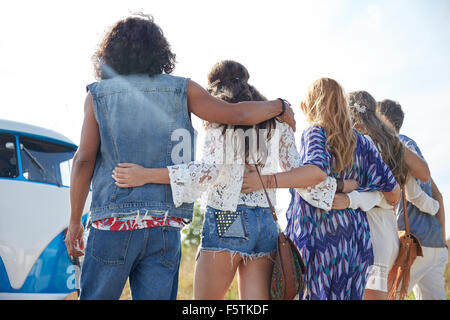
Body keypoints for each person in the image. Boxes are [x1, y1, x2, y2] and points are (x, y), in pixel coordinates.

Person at [64, 15, 296, 300]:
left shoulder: (97, 96)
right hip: (165, 225)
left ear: (111, 53)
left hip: (112, 223)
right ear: (159, 51)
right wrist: (280, 105)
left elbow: (84, 161)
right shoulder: (183, 89)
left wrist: (75, 219)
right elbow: (236, 114)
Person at [112, 60, 354, 300]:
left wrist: (145, 175)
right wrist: (338, 190)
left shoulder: (221, 120)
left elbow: (208, 172)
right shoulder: (278, 122)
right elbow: (298, 172)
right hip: (265, 224)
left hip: (228, 217)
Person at [241, 78, 401, 300]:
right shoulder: (363, 143)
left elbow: (315, 173)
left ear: (312, 104)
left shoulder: (316, 132)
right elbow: (393, 193)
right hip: (354, 241)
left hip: (320, 237)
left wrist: (265, 181)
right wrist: (351, 195)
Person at [331, 91, 439, 300]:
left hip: (367, 235)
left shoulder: (355, 145)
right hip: (386, 234)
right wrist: (434, 207)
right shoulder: (391, 145)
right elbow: (417, 185)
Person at [377, 99, 448, 300]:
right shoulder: (415, 148)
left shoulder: (396, 147)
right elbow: (439, 196)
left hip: (413, 244)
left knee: (389, 296)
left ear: (383, 119)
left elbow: (414, 194)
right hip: (433, 245)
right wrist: (442, 243)